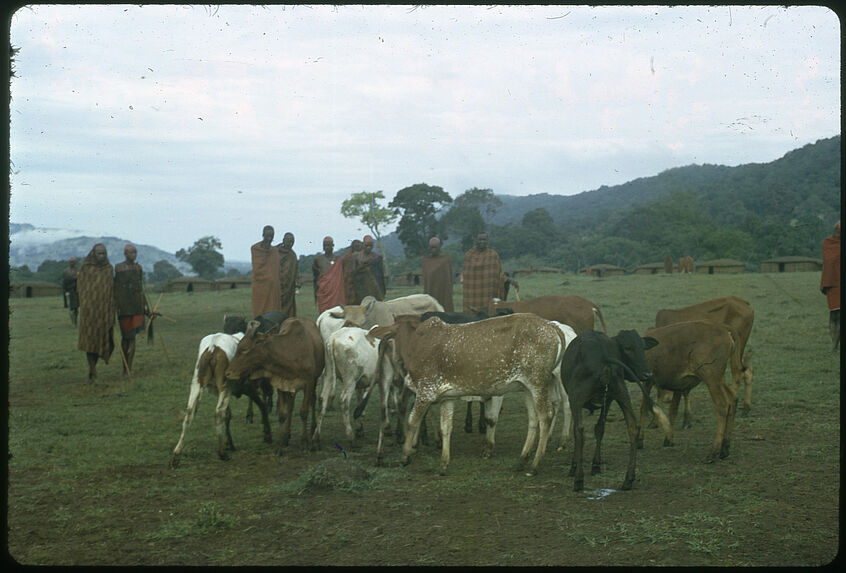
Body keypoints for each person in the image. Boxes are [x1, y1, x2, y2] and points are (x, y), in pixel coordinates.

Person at [77, 243, 115, 383]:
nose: (102, 256)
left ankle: (92, 370)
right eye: (99, 253)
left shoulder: (109, 269)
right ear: (93, 254)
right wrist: (87, 305)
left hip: (105, 312)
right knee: (90, 342)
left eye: (104, 253)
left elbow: (111, 290)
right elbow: (81, 288)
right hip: (89, 313)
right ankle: (93, 371)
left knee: (104, 341)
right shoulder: (86, 269)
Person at [114, 244, 151, 377]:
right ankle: (125, 369)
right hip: (124, 308)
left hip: (137, 307)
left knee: (132, 338)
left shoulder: (138, 268)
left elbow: (141, 289)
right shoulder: (119, 268)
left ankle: (128, 368)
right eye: (131, 252)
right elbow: (116, 288)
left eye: (135, 252)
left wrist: (146, 307)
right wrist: (115, 305)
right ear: (125, 253)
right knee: (126, 338)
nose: (134, 254)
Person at [461, 232, 517, 314]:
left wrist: (509, 280)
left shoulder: (493, 255)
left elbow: (500, 274)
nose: (482, 242)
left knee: (490, 314)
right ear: (476, 240)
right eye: (480, 239)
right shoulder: (469, 255)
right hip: (473, 294)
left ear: (487, 241)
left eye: (484, 240)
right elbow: (466, 275)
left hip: (489, 294)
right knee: (471, 316)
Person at [251, 225, 282, 319]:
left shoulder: (275, 251)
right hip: (260, 285)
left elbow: (276, 269)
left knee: (273, 308)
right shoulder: (256, 249)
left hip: (273, 287)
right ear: (263, 235)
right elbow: (257, 268)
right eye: (267, 236)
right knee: (260, 307)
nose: (269, 238)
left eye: (271, 236)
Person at [820, 220, 840, 352]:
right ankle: (834, 344)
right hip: (832, 283)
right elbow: (828, 262)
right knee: (833, 315)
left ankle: (834, 347)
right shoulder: (827, 243)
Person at [421, 236, 454, 312]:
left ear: (439, 247)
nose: (433, 250)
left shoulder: (445, 260)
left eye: (435, 247)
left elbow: (449, 278)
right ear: (429, 247)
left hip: (444, 292)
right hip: (430, 291)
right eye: (431, 247)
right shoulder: (426, 261)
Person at [313, 236, 345, 314]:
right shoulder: (318, 260)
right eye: (325, 245)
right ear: (323, 246)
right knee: (324, 315)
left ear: (333, 246)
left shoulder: (339, 260)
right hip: (323, 293)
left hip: (336, 294)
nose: (327, 247)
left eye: (329, 245)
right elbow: (316, 277)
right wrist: (316, 295)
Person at [353, 235, 387, 302]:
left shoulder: (376, 257)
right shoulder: (356, 256)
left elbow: (380, 276)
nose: (368, 247)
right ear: (363, 244)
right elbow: (353, 273)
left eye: (370, 246)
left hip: (373, 288)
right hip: (360, 288)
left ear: (373, 245)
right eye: (367, 245)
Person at [278, 231, 299, 317]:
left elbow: (295, 270)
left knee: (288, 309)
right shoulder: (276, 252)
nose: (290, 244)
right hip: (277, 285)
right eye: (288, 241)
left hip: (289, 287)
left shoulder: (292, 255)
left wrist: (297, 281)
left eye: (292, 242)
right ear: (283, 240)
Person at [342, 239, 365, 305]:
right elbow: (348, 273)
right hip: (350, 285)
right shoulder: (348, 257)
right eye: (357, 247)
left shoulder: (361, 257)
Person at [62, 256, 80, 327]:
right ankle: (73, 323)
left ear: (75, 262)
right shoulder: (66, 271)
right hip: (69, 291)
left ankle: (75, 321)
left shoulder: (79, 270)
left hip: (77, 291)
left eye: (73, 262)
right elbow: (64, 282)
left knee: (76, 308)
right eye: (71, 262)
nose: (72, 263)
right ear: (69, 262)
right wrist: (65, 291)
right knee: (71, 307)